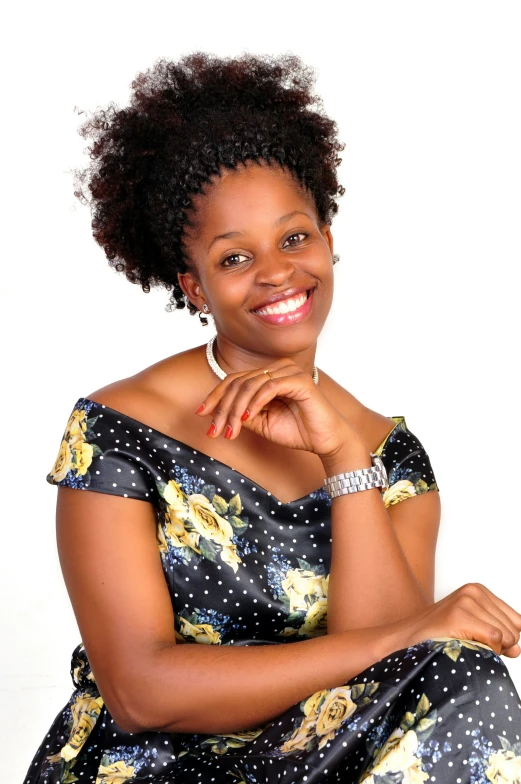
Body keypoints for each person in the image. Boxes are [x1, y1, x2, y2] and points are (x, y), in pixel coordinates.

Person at [25, 53, 521, 784]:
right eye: (234, 258)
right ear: (193, 285)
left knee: (458, 676)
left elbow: (397, 675)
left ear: (327, 238)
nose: (277, 273)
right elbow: (141, 695)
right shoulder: (119, 431)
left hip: (316, 762)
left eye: (294, 238)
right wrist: (414, 627)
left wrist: (346, 460)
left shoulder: (388, 451)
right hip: (149, 768)